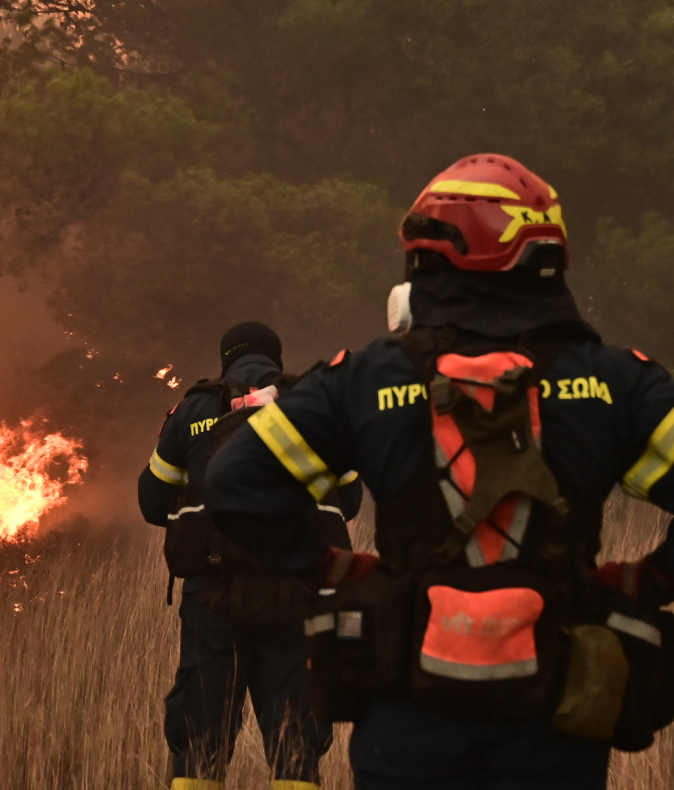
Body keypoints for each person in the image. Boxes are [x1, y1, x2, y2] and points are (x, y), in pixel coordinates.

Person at [201, 153, 674, 789]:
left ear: (427, 257)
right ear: (547, 254)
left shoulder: (368, 377)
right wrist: (649, 580)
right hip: (555, 721)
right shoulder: (620, 382)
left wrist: (328, 569)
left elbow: (234, 483)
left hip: (408, 717)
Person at [139, 320, 356, 790]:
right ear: (276, 359)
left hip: (213, 601)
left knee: (199, 742)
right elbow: (350, 500)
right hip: (296, 595)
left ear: (226, 360)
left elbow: (152, 502)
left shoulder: (193, 409)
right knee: (295, 744)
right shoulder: (311, 404)